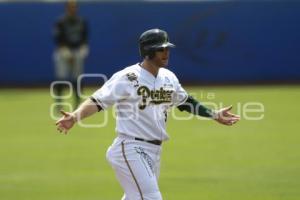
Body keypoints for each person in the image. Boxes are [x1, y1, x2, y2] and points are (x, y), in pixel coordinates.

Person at [55, 28, 240, 200]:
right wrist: (75, 116)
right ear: (148, 51)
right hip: (130, 147)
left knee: (136, 197)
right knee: (151, 197)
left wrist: (213, 114)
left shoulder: (169, 77)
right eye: (161, 49)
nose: (166, 53)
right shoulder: (128, 77)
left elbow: (186, 102)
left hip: (154, 150)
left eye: (167, 48)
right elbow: (98, 101)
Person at [53, 0, 89, 111]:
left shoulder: (81, 21)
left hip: (77, 52)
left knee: (77, 78)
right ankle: (59, 103)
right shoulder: (61, 22)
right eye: (70, 7)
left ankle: (77, 102)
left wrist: (83, 49)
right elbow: (57, 38)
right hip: (63, 51)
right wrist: (65, 51)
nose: (73, 9)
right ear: (66, 8)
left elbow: (84, 38)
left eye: (74, 7)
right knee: (61, 77)